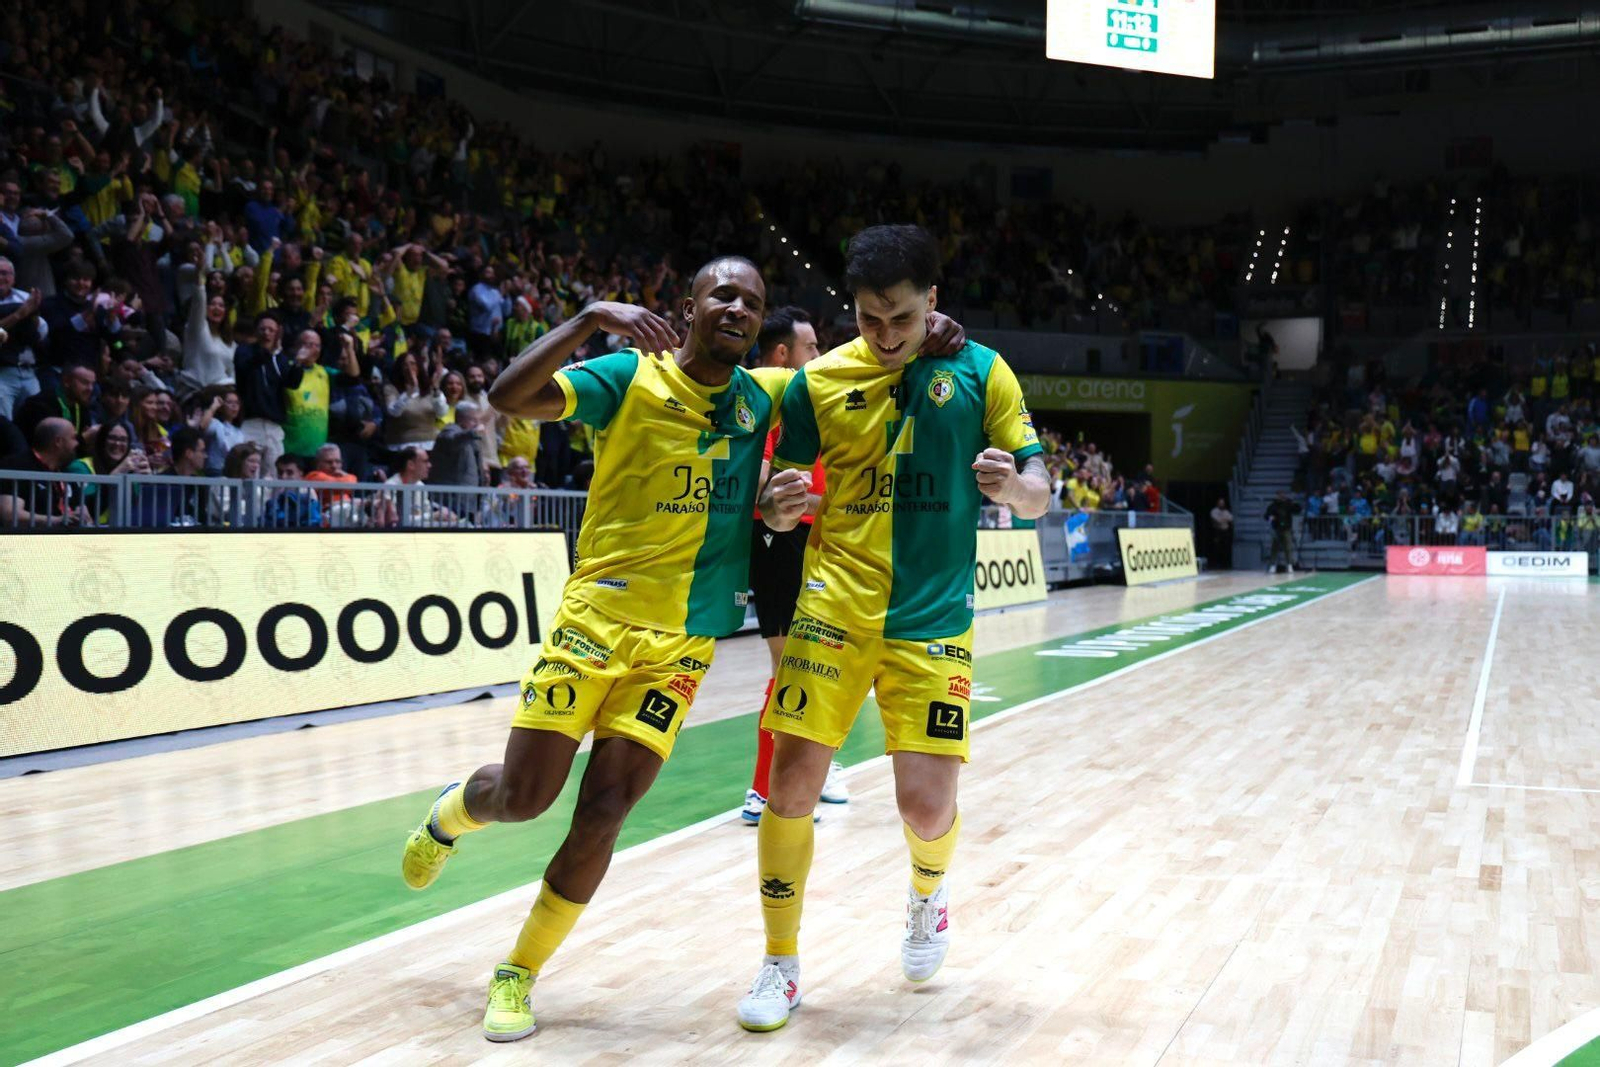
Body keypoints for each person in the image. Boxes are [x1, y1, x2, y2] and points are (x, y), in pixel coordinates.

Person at [399, 256, 808, 1042]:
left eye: (753, 302)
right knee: (526, 797)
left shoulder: (766, 395)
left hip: (681, 644)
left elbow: (863, 373)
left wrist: (934, 330)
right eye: (722, 292)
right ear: (688, 305)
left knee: (606, 811)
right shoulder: (629, 374)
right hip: (596, 621)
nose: (738, 308)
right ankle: (453, 812)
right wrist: (589, 319)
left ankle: (517, 971)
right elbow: (508, 397)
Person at [734, 225, 1048, 1033]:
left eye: (901, 319)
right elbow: (777, 492)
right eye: (870, 320)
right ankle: (780, 961)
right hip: (831, 607)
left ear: (932, 302)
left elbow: (1040, 487)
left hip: (932, 616)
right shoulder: (818, 383)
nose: (885, 337)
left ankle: (927, 894)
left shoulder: (981, 372)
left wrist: (1014, 489)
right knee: (791, 784)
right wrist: (775, 507)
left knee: (923, 805)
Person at [0, 417, 85, 527]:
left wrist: (82, 515)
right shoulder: (16, 466)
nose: (77, 443)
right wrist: (55, 520)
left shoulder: (66, 471)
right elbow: (10, 514)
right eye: (74, 438)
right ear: (58, 441)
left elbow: (81, 510)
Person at [1264, 489, 1301, 574]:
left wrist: (1293, 502)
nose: (1281, 496)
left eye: (1282, 494)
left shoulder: (1288, 504)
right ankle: (1273, 565)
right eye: (1279, 494)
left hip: (1286, 528)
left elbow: (1297, 509)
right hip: (1276, 529)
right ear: (1276, 495)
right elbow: (1266, 516)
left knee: (1288, 547)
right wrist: (1270, 518)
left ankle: (1289, 565)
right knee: (1275, 548)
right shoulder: (1273, 506)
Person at [1209, 496, 1234, 569]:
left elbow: (1231, 519)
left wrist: (1223, 519)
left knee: (1225, 549)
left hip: (1225, 532)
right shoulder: (1214, 511)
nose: (1221, 504)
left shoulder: (1226, 511)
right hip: (1217, 532)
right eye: (1220, 503)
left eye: (1223, 503)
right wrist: (1224, 519)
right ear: (1217, 504)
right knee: (1217, 549)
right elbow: (1217, 520)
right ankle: (1217, 564)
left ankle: (1225, 565)